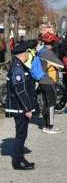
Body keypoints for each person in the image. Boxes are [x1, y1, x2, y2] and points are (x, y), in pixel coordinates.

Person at [5, 40, 38, 170]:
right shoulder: (17, 67)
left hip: (20, 107)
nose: (28, 55)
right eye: (27, 53)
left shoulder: (19, 65)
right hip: (19, 107)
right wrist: (27, 108)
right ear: (22, 53)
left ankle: (20, 158)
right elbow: (20, 90)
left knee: (22, 134)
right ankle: (17, 162)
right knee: (21, 134)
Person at [36, 32, 64, 134]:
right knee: (51, 103)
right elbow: (61, 65)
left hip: (42, 80)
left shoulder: (40, 51)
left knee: (45, 103)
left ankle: (46, 125)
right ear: (52, 42)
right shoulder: (48, 52)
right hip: (49, 81)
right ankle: (50, 127)